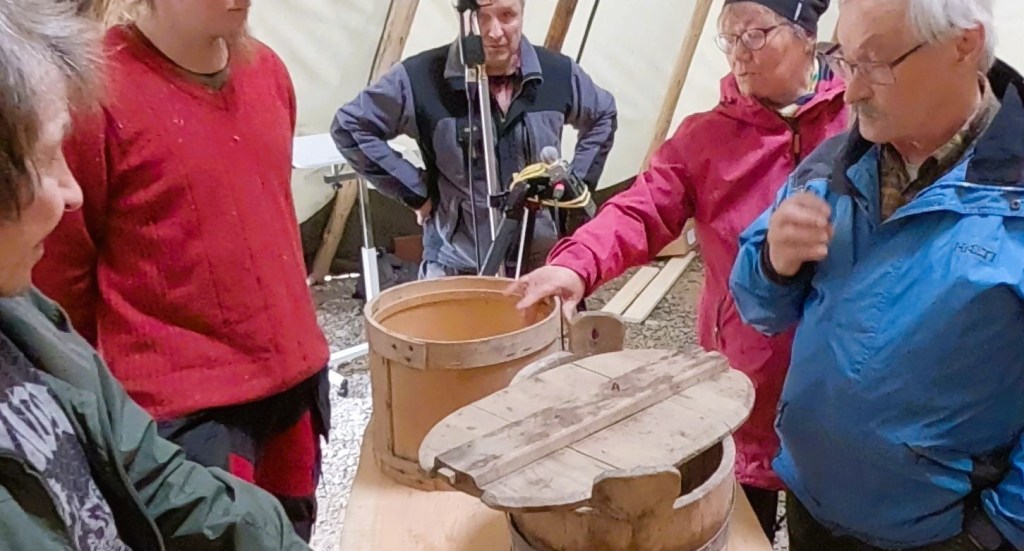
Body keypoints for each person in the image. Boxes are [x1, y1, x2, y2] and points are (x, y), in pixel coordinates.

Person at [506, 0, 844, 542]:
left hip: (836, 399)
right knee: (736, 529)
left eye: (756, 34)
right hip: (744, 382)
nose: (739, 53)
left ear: (806, 34)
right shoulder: (706, 138)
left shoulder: (860, 126)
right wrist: (576, 265)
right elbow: (641, 210)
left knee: (825, 530)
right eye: (729, 37)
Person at [0, 0, 310, 548]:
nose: (67, 189)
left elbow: (269, 218)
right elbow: (59, 271)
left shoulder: (268, 73)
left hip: (289, 376)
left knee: (290, 520)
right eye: (48, 160)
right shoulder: (98, 92)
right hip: (188, 408)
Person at [729, 0, 1024, 549]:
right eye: (845, 60)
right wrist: (773, 261)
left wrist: (995, 535)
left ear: (964, 44)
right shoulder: (833, 166)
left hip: (938, 535)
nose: (851, 91)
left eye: (875, 64)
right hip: (812, 501)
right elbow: (757, 307)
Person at [332, 0, 618, 280]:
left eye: (507, 15)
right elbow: (350, 127)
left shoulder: (559, 73)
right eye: (482, 18)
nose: (495, 32)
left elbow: (603, 114)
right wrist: (415, 192)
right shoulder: (420, 78)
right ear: (464, 16)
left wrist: (577, 186)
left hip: (540, 264)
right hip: (456, 264)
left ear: (522, 12)